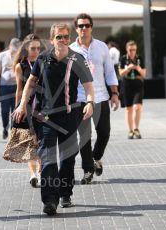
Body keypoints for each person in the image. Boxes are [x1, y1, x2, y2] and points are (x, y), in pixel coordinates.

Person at [12, 23, 94, 215]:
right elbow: (30, 83)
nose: (63, 40)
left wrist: (90, 102)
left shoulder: (77, 58)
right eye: (59, 37)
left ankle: (65, 193)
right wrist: (22, 104)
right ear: (52, 40)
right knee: (48, 159)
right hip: (46, 117)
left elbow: (89, 85)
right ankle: (49, 201)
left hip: (69, 116)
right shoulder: (43, 58)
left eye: (66, 36)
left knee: (67, 159)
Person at [70, 13, 120, 184]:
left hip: (100, 97)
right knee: (84, 137)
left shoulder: (102, 47)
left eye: (87, 25)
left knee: (104, 133)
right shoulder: (71, 50)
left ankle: (96, 157)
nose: (84, 29)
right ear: (76, 29)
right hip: (80, 98)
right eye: (80, 26)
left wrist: (114, 93)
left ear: (92, 27)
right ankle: (87, 170)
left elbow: (110, 72)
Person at [13, 34, 42, 188]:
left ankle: (42, 171)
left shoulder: (44, 63)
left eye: (38, 48)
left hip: (42, 105)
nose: (35, 51)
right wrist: (17, 107)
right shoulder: (21, 66)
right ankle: (33, 174)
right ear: (26, 48)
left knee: (40, 141)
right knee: (30, 142)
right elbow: (19, 89)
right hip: (26, 106)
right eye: (32, 48)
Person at [0, 38, 20, 139]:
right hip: (4, 87)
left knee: (15, 109)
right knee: (4, 110)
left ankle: (13, 130)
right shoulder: (2, 55)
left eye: (16, 49)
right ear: (9, 46)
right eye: (13, 48)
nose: (14, 51)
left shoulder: (20, 55)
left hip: (16, 86)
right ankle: (5, 127)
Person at [119, 40, 146, 139]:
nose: (132, 52)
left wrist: (138, 68)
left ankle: (136, 129)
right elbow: (121, 73)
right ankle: (130, 130)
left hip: (138, 84)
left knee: (137, 107)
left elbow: (144, 74)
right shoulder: (123, 59)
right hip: (127, 84)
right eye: (130, 50)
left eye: (134, 50)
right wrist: (128, 68)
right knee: (128, 109)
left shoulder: (140, 59)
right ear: (127, 49)